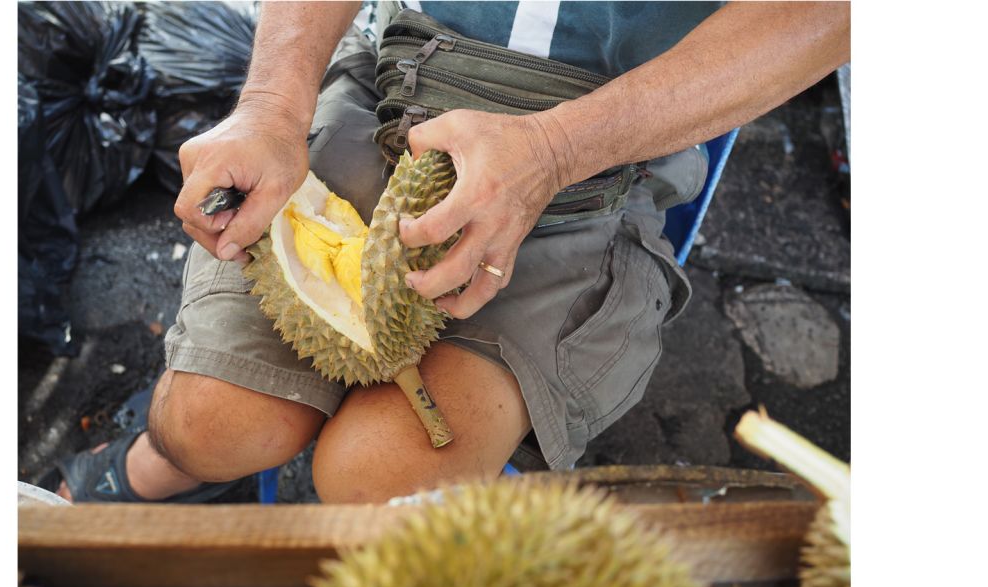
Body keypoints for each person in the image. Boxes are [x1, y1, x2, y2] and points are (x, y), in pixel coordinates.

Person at [50, 1, 849, 503]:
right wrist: (269, 105)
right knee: (208, 424)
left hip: (610, 144)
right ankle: (164, 463)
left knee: (377, 483)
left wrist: (557, 149)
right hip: (394, 74)